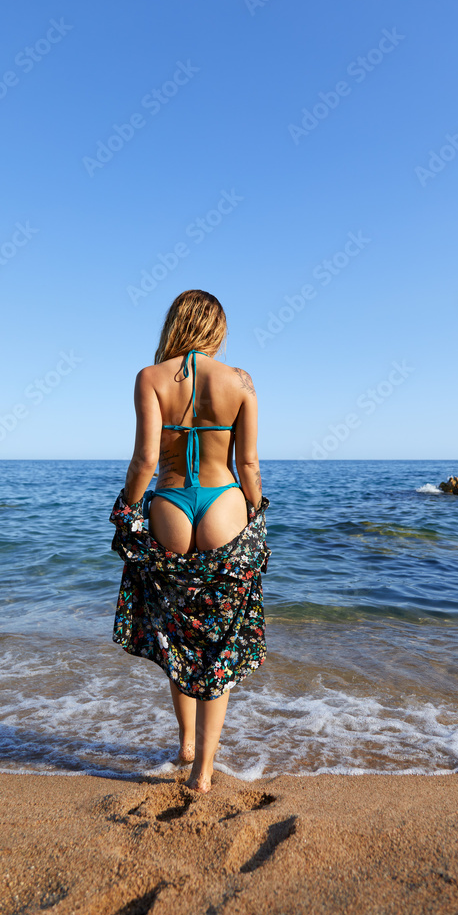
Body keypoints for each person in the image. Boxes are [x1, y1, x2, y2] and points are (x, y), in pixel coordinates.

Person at [109, 290, 270, 793]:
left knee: (175, 634)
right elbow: (248, 466)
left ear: (176, 323)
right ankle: (202, 772)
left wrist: (124, 512)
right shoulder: (240, 382)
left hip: (171, 505)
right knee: (217, 644)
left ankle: (183, 744)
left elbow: (145, 463)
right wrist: (257, 512)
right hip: (225, 503)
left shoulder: (151, 379)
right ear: (216, 328)